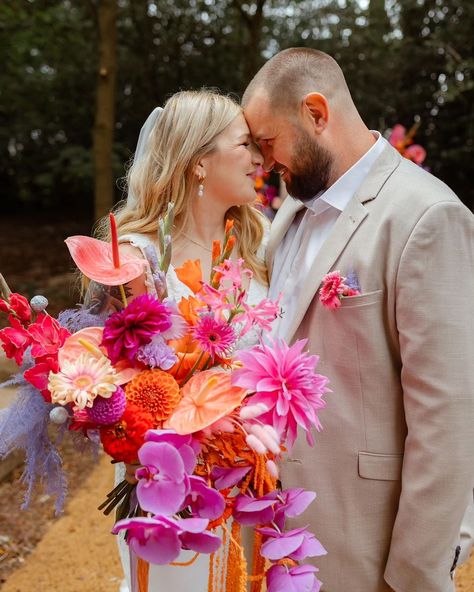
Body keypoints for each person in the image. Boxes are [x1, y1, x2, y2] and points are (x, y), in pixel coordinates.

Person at [242, 47, 474, 592]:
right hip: (274, 528)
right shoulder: (294, 211)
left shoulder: (427, 215)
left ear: (316, 113)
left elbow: (448, 414)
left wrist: (417, 571)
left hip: (366, 539)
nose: (264, 163)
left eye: (268, 142)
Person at [86, 90, 267, 591]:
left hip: (252, 474)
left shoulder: (259, 249)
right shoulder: (137, 259)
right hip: (173, 480)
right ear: (200, 162)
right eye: (245, 145)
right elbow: (112, 375)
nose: (259, 159)